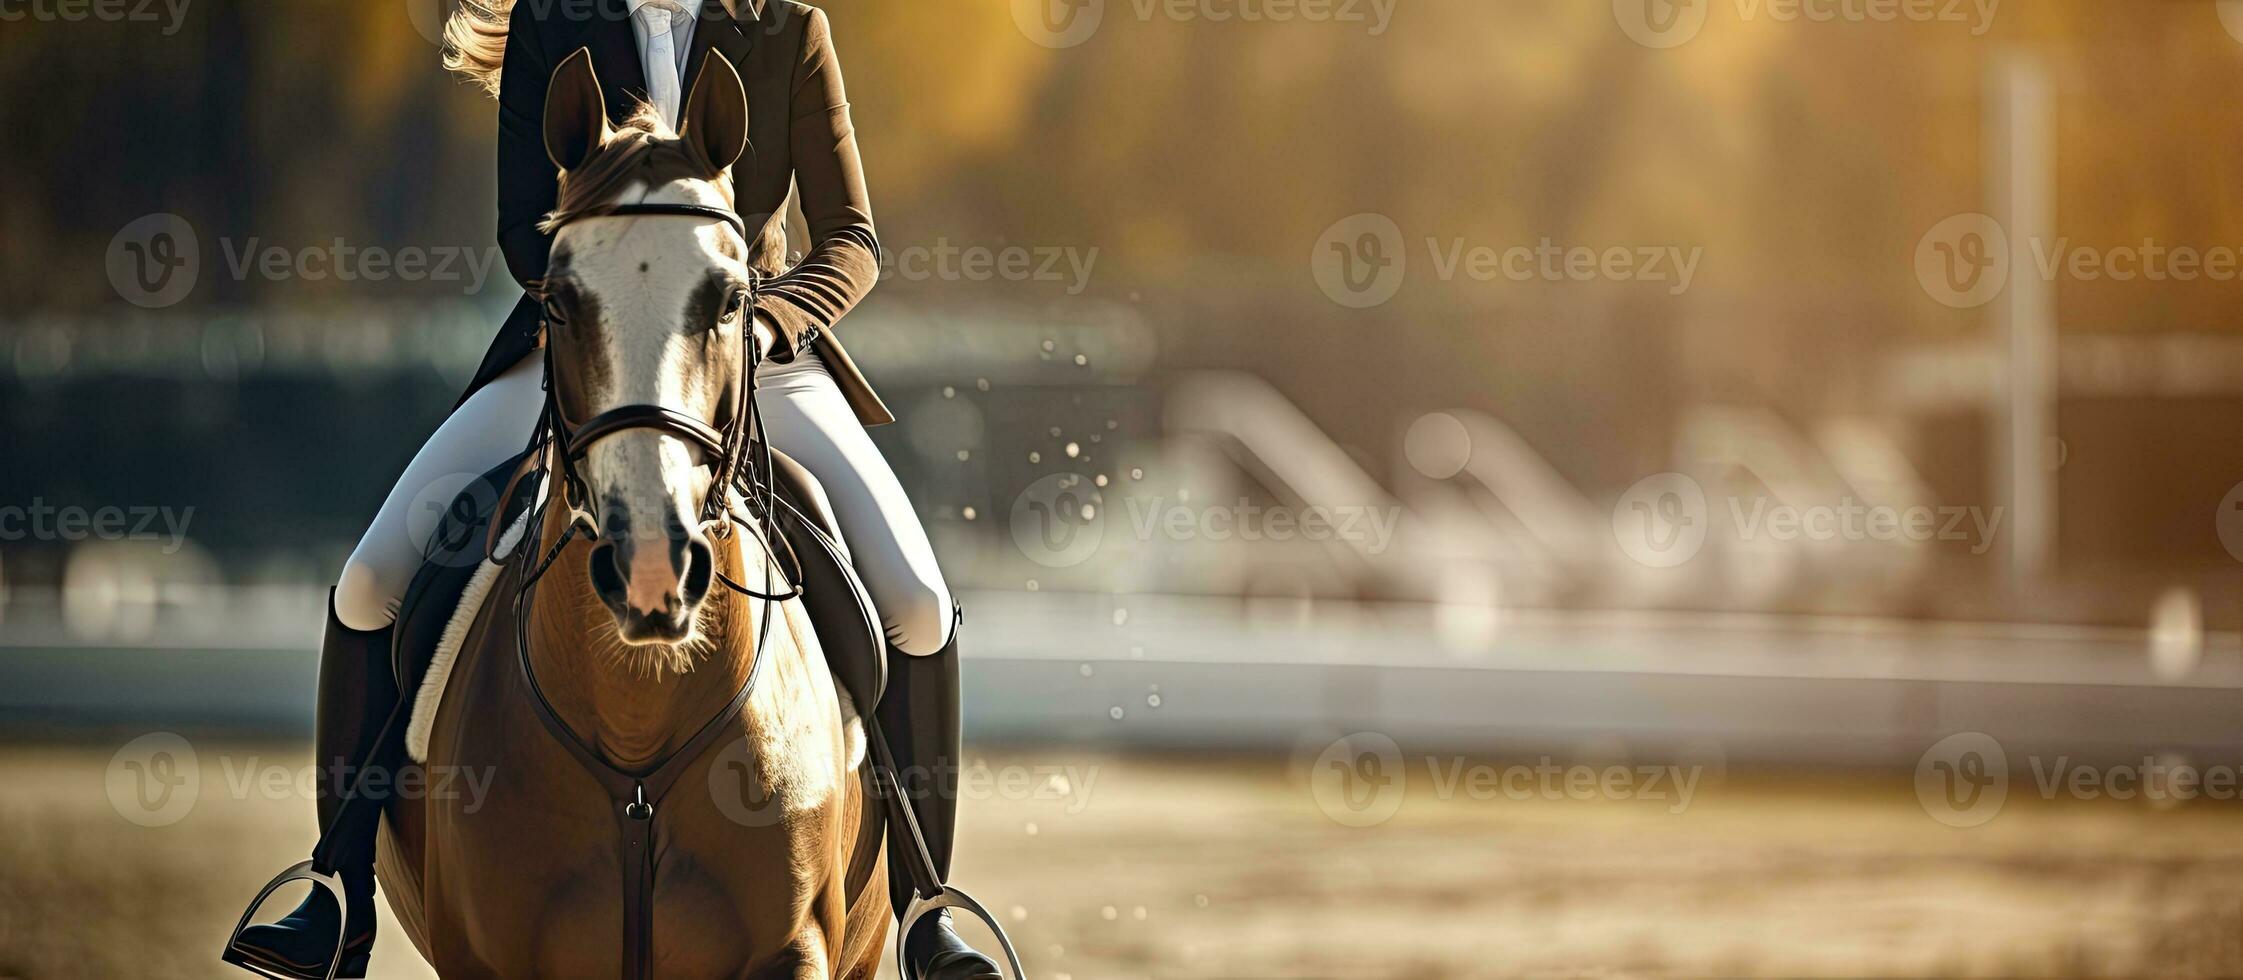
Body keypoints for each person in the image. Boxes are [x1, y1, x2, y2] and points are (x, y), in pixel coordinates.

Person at [223, 1, 1001, 976]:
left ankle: (927, 905)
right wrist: (599, 282)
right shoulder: (557, 17)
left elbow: (850, 239)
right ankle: (338, 889)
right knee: (371, 581)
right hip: (587, 350)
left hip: (749, 348)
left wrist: (756, 322)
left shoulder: (789, 25)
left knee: (920, 604)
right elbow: (520, 226)